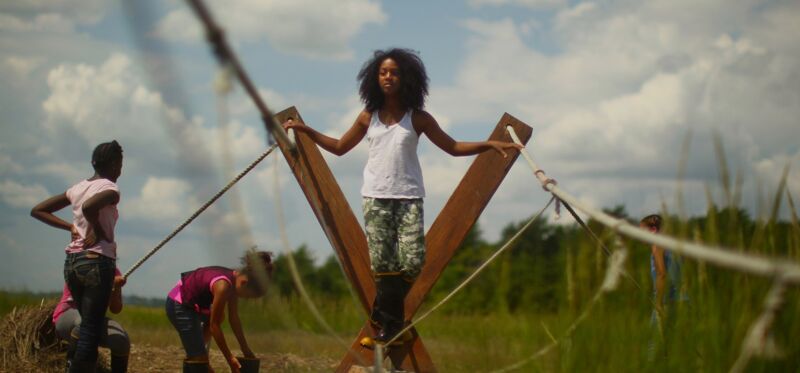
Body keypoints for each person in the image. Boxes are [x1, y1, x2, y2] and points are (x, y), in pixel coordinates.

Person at [283, 48, 522, 346]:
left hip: (408, 196)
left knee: (411, 262)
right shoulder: (367, 117)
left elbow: (452, 146)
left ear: (406, 78)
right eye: (383, 72)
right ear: (374, 78)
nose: (388, 77)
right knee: (383, 264)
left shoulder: (418, 118)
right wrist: (306, 130)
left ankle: (380, 318)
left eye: (394, 72)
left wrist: (488, 144)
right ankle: (392, 328)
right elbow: (340, 146)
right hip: (375, 196)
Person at [31, 140, 124, 372]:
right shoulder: (110, 189)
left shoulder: (77, 187)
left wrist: (70, 228)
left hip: (73, 262)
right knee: (90, 328)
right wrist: (100, 231)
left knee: (86, 326)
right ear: (114, 164)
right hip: (96, 261)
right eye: (120, 164)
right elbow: (89, 208)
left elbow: (38, 210)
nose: (121, 170)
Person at [165, 251, 273, 373]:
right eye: (247, 296)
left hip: (192, 305)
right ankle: (197, 354)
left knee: (219, 316)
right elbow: (214, 326)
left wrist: (245, 349)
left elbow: (234, 319)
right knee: (199, 361)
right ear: (245, 283)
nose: (245, 299)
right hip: (179, 303)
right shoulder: (223, 286)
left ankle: (196, 350)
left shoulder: (235, 281)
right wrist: (230, 359)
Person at [54, 268, 130, 373]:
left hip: (95, 320)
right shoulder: (82, 262)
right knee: (83, 325)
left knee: (122, 341)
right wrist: (109, 283)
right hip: (69, 313)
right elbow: (87, 298)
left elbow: (115, 309)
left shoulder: (115, 272)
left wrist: (116, 288)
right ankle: (71, 368)